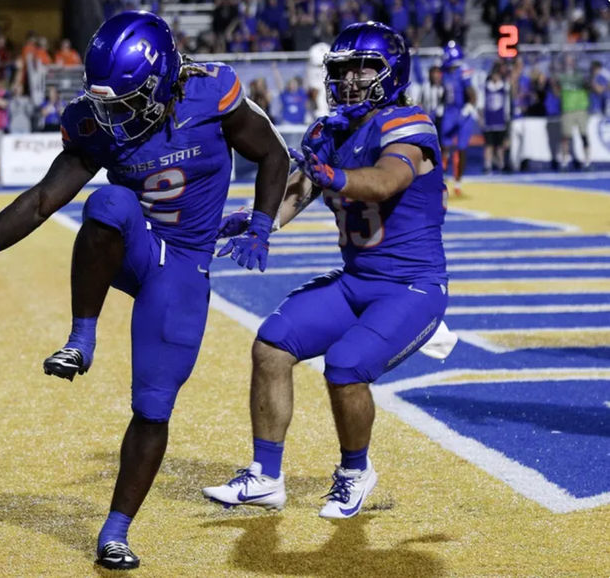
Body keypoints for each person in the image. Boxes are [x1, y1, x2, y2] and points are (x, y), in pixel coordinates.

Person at [0, 11, 288, 570]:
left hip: (182, 265)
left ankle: (115, 530)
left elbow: (273, 154)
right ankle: (82, 335)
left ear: (160, 83)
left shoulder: (211, 91)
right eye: (104, 102)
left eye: (125, 102)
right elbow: (43, 199)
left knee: (153, 406)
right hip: (134, 246)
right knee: (108, 202)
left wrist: (260, 225)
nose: (110, 116)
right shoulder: (95, 122)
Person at [203, 21, 449, 521]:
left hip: (411, 287)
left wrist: (332, 174)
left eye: (363, 68)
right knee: (272, 344)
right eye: (343, 70)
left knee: (346, 365)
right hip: (357, 280)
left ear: (391, 72)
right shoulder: (327, 130)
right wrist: (261, 224)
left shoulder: (409, 124)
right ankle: (265, 477)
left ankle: (355, 473)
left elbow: (384, 181)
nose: (352, 80)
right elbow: (300, 189)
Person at [440, 41, 477, 196]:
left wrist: (470, 107)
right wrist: (441, 104)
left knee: (461, 148)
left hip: (462, 112)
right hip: (449, 111)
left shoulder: (463, 71)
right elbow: (445, 93)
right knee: (444, 144)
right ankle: (440, 176)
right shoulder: (446, 73)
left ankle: (457, 182)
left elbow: (471, 92)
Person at [482, 62, 509, 174]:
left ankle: (501, 163)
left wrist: (507, 118)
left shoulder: (504, 87)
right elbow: (481, 104)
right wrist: (481, 119)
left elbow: (507, 104)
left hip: (500, 120)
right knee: (489, 145)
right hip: (489, 121)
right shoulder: (486, 87)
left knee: (500, 145)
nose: (496, 77)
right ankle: (487, 164)